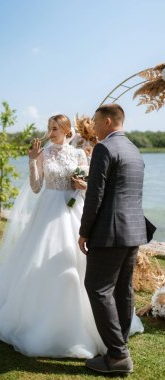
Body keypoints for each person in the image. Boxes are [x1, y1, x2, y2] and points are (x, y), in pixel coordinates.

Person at [0, 114, 142, 359]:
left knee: (79, 266)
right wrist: (33, 161)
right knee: (41, 261)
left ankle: (99, 326)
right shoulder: (45, 153)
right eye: (49, 128)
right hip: (49, 209)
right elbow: (35, 186)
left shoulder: (79, 154)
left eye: (55, 128)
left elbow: (91, 183)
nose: (51, 132)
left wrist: (82, 185)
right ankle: (41, 319)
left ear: (66, 130)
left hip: (75, 210)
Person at [78, 104, 149, 374]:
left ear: (108, 122)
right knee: (122, 289)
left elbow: (95, 196)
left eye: (96, 122)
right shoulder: (133, 149)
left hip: (110, 232)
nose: (93, 127)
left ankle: (118, 355)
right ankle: (120, 346)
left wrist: (84, 231)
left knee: (98, 288)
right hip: (133, 231)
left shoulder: (104, 149)